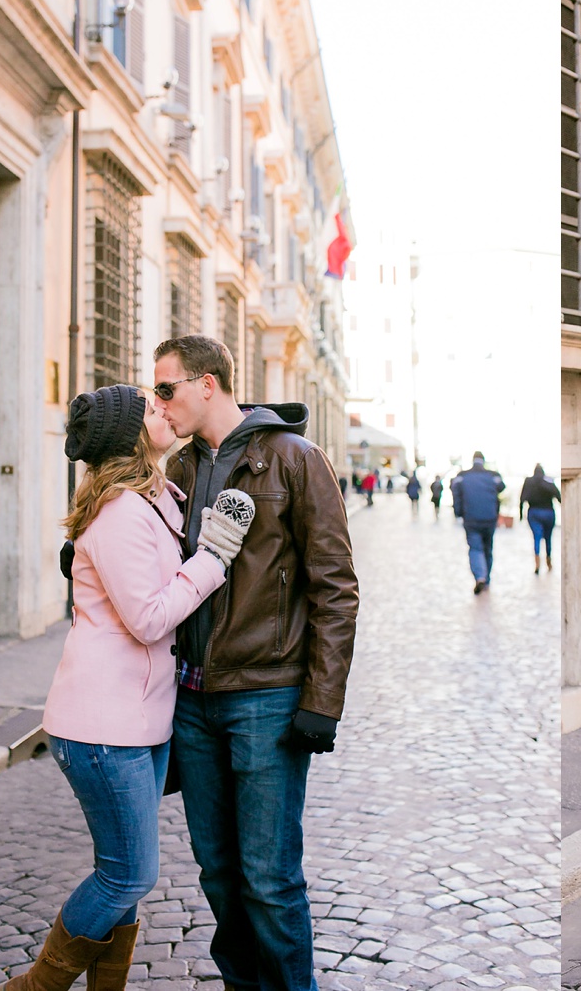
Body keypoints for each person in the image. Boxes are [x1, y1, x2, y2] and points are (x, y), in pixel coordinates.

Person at [6, 385, 253, 991]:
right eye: (150, 408)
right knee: (129, 875)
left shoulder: (154, 499)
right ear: (131, 438)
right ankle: (34, 987)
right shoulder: (120, 513)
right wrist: (215, 557)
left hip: (138, 720)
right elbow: (147, 617)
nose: (163, 410)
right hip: (100, 728)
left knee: (123, 872)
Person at [153, 335, 358, 991]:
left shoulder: (296, 460)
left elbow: (335, 587)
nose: (160, 403)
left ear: (207, 383)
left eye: (167, 389)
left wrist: (321, 702)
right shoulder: (179, 470)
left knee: (269, 880)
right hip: (193, 700)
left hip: (267, 698)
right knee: (217, 873)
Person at [451, 451, 505, 593]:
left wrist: (458, 512)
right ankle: (486, 578)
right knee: (488, 548)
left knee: (475, 548)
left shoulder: (463, 476)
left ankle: (480, 576)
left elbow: (455, 492)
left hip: (471, 518)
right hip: (489, 518)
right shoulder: (492, 476)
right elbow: (502, 487)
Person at [519, 465, 561, 574]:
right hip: (548, 512)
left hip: (534, 512)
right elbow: (558, 496)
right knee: (548, 538)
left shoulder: (528, 481)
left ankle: (537, 563)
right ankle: (548, 561)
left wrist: (520, 514)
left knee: (536, 538)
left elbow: (522, 498)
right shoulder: (548, 481)